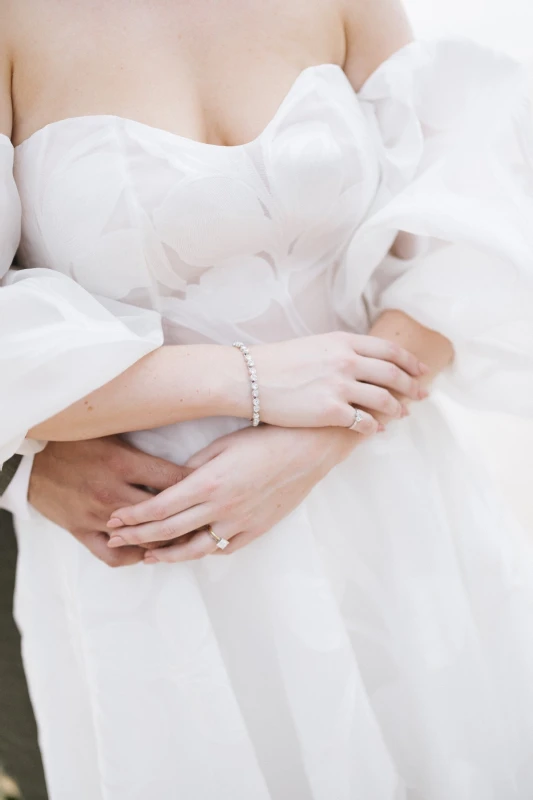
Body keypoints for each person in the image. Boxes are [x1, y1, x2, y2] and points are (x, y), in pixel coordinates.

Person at [1, 0, 533, 797]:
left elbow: (467, 221)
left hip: (387, 496)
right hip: (156, 538)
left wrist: (320, 439)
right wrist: (254, 379)